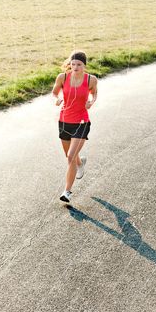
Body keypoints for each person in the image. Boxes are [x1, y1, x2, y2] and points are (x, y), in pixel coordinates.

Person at [51, 51, 97, 203]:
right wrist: (57, 99)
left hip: (81, 122)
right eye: (73, 64)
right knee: (70, 157)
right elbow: (54, 92)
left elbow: (94, 94)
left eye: (79, 64)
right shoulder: (62, 77)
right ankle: (80, 163)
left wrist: (91, 101)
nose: (75, 67)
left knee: (70, 156)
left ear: (84, 65)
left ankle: (67, 192)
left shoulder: (91, 79)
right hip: (64, 121)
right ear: (70, 64)